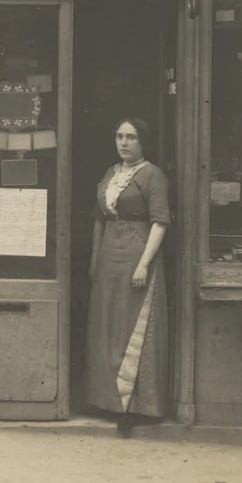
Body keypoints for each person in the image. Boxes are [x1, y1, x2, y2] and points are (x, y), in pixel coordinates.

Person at [86, 117, 171, 437]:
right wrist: (95, 259)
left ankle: (134, 407)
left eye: (131, 137)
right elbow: (98, 218)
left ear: (143, 142)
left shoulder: (153, 175)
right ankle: (107, 400)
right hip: (109, 256)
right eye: (120, 136)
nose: (124, 143)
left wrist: (143, 265)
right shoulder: (111, 173)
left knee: (130, 325)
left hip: (137, 253)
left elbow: (160, 222)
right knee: (107, 322)